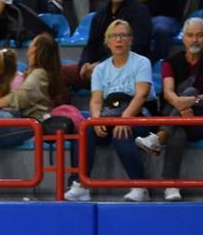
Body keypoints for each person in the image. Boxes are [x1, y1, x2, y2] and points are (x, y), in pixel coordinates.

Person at [0, 33, 64, 201]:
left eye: (32, 44)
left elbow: (19, 98)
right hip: (20, 120)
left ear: (37, 50)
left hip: (31, 124)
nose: (29, 47)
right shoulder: (31, 72)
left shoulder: (39, 74)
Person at [134, 17, 203, 201]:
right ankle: (171, 185)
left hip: (201, 119)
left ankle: (158, 138)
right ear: (183, 38)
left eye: (199, 35)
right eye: (190, 35)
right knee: (178, 133)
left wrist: (192, 101)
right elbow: (168, 93)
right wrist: (182, 108)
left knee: (191, 92)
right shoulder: (169, 62)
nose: (195, 40)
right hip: (175, 117)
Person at [65, 19, 152, 201]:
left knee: (121, 134)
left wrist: (125, 118)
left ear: (130, 39)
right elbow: (96, 101)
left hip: (137, 115)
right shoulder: (100, 69)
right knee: (85, 129)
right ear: (107, 41)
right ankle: (80, 184)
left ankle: (140, 186)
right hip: (109, 115)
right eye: (114, 36)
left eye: (123, 35)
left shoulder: (142, 62)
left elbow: (142, 94)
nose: (119, 40)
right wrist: (97, 120)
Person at [61, 0, 151, 93]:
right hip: (97, 69)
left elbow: (135, 48)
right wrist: (85, 65)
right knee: (56, 74)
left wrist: (100, 66)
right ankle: (64, 105)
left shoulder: (140, 12)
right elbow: (90, 46)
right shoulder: (100, 15)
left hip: (126, 70)